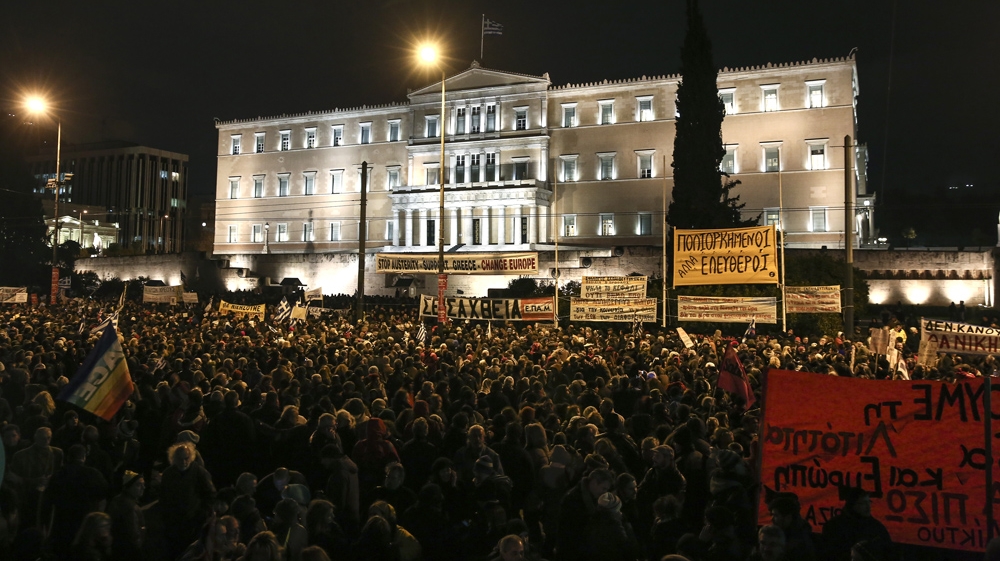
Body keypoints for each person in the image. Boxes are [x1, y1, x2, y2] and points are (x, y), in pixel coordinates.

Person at [41, 443, 109, 558]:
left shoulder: (59, 475)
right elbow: (104, 493)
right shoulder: (93, 474)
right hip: (85, 522)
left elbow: (47, 501)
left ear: (68, 457)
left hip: (62, 523)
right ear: (84, 457)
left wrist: (45, 525)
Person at [160, 440, 217, 560]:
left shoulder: (199, 472)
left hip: (193, 523)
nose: (184, 462)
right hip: (174, 523)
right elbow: (163, 497)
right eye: (180, 459)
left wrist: (202, 513)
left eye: (186, 458)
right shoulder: (168, 474)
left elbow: (210, 494)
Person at [820, 487, 892, 561]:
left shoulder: (876, 527)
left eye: (869, 502)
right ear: (852, 505)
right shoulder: (834, 527)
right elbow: (829, 554)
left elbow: (888, 552)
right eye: (863, 503)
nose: (868, 507)